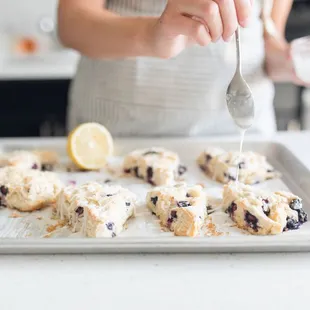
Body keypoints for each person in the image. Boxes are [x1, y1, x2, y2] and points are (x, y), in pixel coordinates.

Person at [58, 0, 302, 137]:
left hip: (241, 141)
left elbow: (268, 32)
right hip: (121, 135)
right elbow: (71, 23)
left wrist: (288, 60)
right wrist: (153, 36)